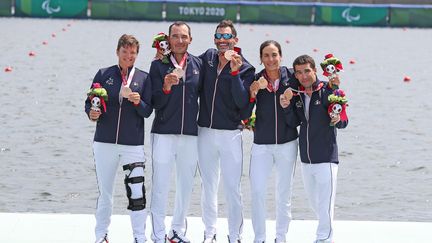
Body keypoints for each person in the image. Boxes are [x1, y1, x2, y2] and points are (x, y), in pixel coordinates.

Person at [85, 34, 153, 243]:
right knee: (105, 193)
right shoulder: (104, 74)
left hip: (132, 145)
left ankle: (139, 237)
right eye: (125, 52)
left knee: (136, 193)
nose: (128, 56)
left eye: (132, 53)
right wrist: (91, 113)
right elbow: (90, 103)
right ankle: (101, 235)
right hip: (104, 143)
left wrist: (137, 101)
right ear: (117, 52)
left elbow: (147, 111)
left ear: (137, 55)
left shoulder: (144, 78)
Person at [197, 19, 255, 243]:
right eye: (219, 36)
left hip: (231, 133)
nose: (222, 41)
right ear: (214, 39)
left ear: (235, 40)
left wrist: (234, 73)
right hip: (205, 132)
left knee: (233, 188)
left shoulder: (247, 67)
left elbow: (242, 102)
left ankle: (234, 235)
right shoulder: (207, 58)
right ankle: (210, 233)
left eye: (227, 37)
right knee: (208, 187)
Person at [280, 55, 348, 243]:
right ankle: (326, 233)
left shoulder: (329, 90)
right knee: (315, 203)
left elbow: (343, 121)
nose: (304, 76)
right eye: (299, 72)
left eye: (307, 71)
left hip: (326, 158)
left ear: (315, 70)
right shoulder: (298, 94)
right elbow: (294, 122)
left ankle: (323, 238)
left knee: (326, 204)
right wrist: (286, 107)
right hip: (306, 160)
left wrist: (338, 119)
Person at [149, 21, 202, 243]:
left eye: (184, 36)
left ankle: (177, 231)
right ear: (168, 40)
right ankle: (158, 234)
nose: (179, 40)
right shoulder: (158, 66)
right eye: (175, 36)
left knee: (185, 186)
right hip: (163, 132)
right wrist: (166, 87)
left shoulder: (199, 64)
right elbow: (153, 102)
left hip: (190, 134)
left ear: (190, 39)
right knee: (160, 185)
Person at [247, 40, 298, 243]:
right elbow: (243, 108)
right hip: (262, 145)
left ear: (281, 56)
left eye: (274, 54)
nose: (271, 59)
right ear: (261, 58)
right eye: (266, 55)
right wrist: (252, 92)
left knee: (283, 194)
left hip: (287, 143)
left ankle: (280, 237)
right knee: (258, 192)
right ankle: (259, 238)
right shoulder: (255, 79)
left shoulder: (292, 78)